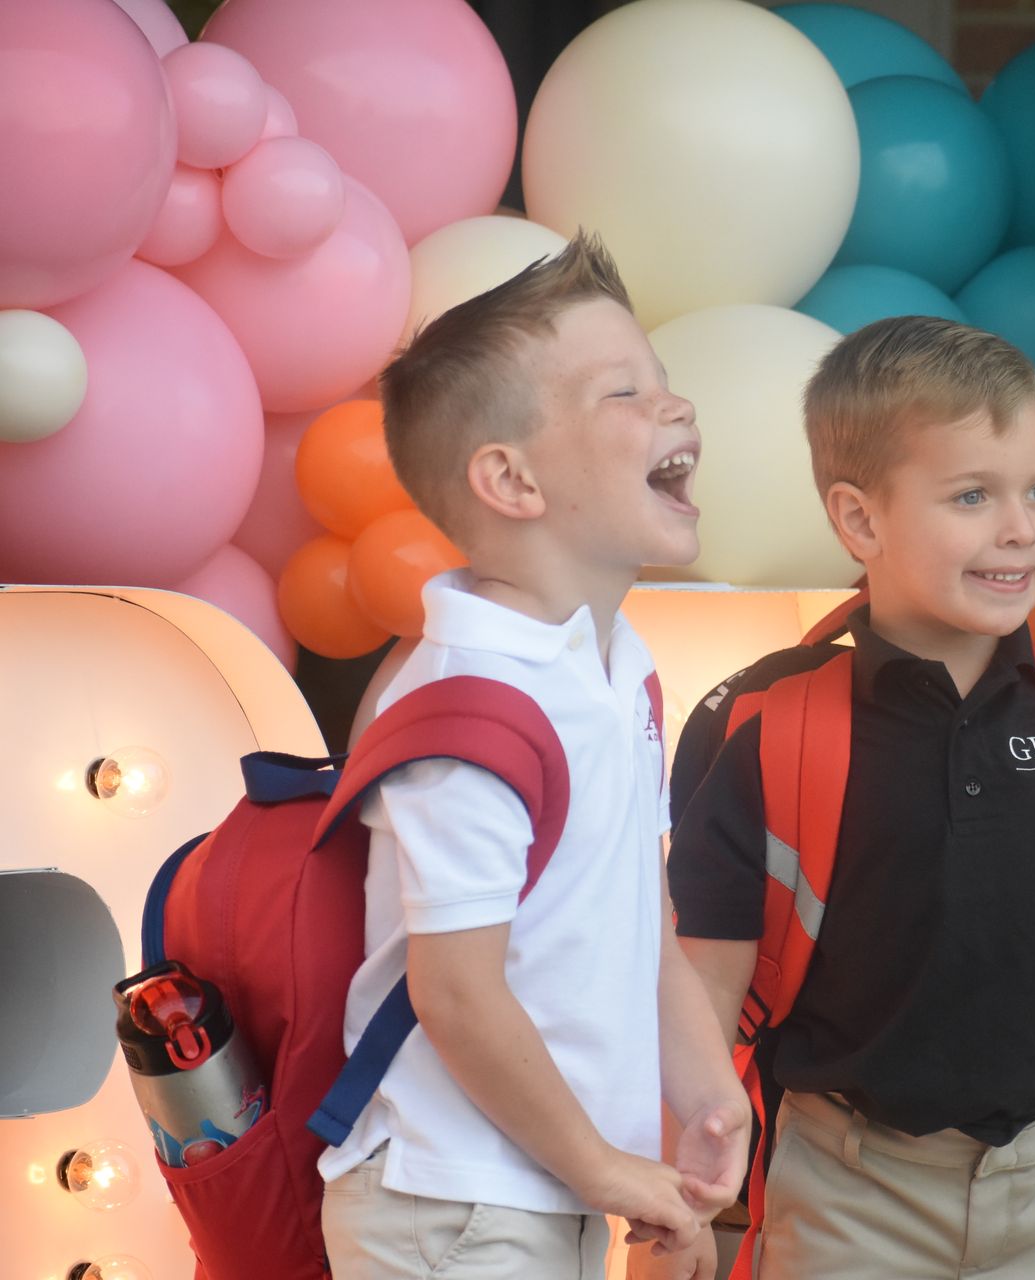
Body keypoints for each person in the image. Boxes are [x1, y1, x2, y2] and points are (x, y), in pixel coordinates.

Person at [664, 317, 1035, 1279]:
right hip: (850, 1192)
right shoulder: (771, 732)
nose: (1021, 528)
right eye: (973, 495)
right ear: (860, 521)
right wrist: (684, 1194)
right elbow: (700, 989)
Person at [317, 233, 749, 1279]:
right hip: (445, 1205)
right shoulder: (468, 706)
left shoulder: (613, 666)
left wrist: (706, 1091)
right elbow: (460, 993)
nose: (676, 407)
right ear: (509, 477)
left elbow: (634, 918)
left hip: (524, 1196)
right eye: (625, 393)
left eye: (664, 382)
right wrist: (606, 1168)